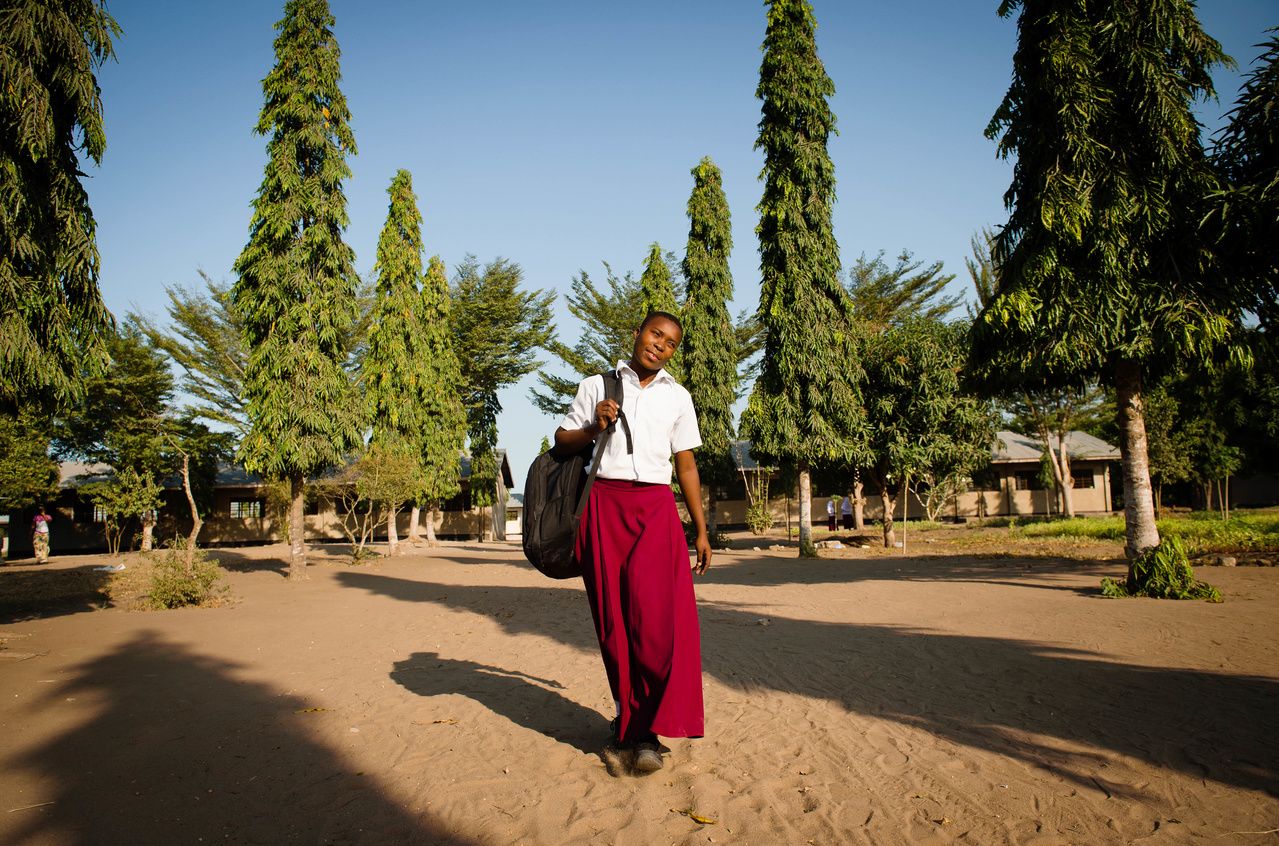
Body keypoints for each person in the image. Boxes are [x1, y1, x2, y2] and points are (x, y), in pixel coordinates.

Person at [555, 310, 711, 776]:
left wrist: (700, 529)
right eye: (654, 334)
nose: (659, 345)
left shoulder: (678, 397)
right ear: (637, 333)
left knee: (658, 622)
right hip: (604, 506)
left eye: (669, 343)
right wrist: (594, 427)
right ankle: (631, 724)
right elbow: (563, 442)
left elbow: (684, 464)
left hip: (656, 512)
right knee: (614, 624)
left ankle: (650, 727)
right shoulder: (594, 386)